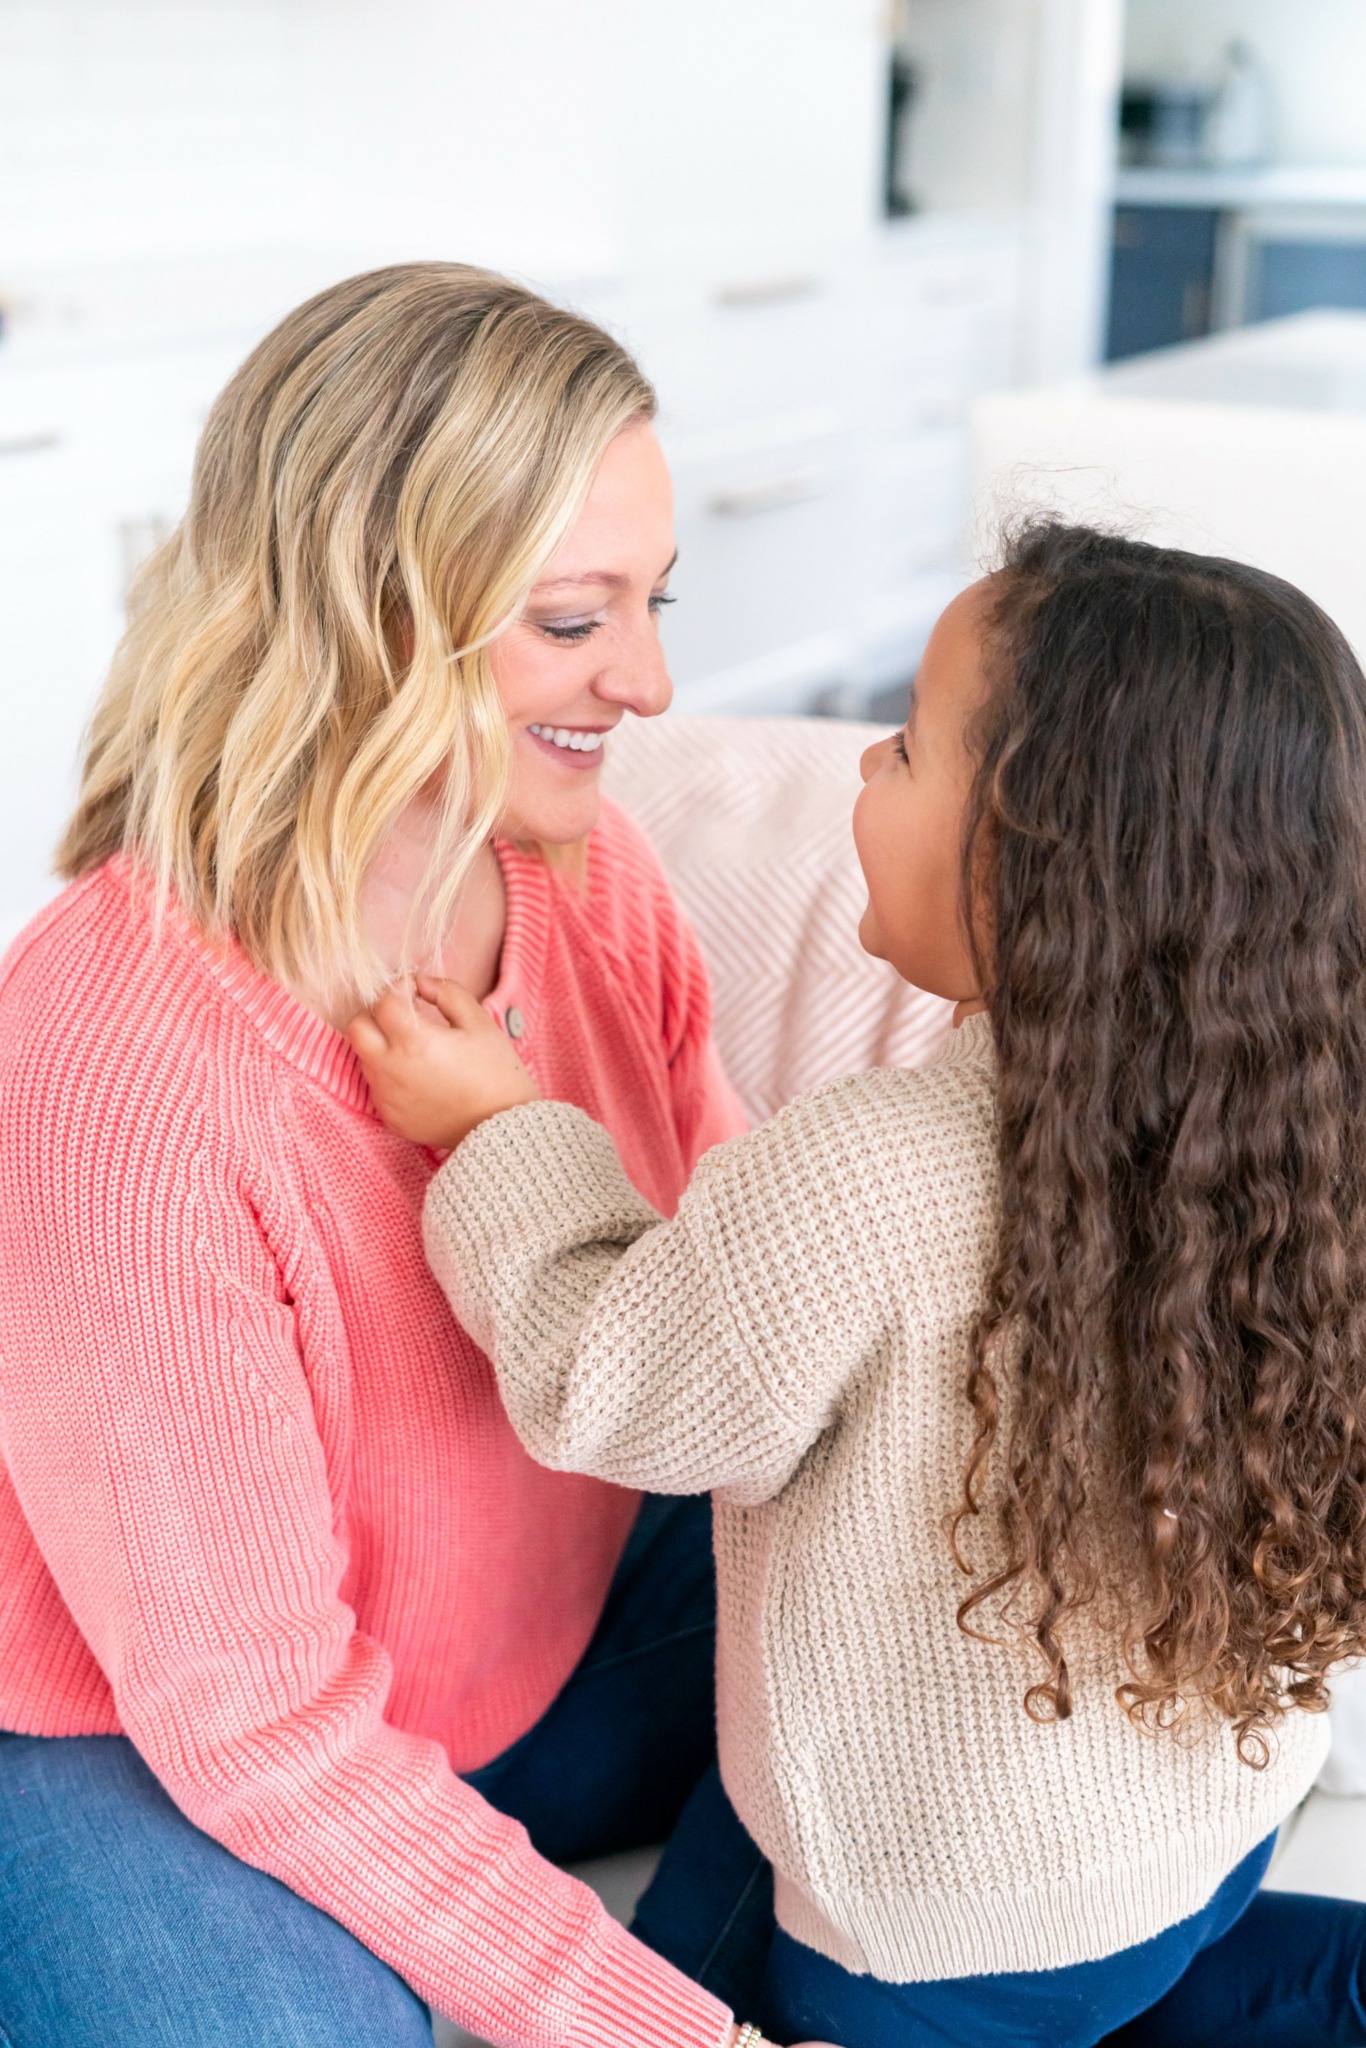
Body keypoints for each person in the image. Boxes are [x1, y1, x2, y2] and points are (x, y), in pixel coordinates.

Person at [350, 523, 1366, 2048]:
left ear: (1030, 841)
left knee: (724, 1990)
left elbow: (612, 1388)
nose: (859, 771)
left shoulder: (871, 1171)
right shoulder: (1303, 1125)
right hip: (1202, 1827)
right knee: (1135, 1972)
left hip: (926, 1940)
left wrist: (497, 1130)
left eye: (901, 747)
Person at [0, 263, 785, 2048]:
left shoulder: (587, 879)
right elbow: (256, 1719)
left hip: (533, 1653)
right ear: (366, 621)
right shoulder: (116, 1069)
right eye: (574, 621)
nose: (651, 683)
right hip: (138, 1728)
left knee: (949, 1628)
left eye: (653, 602)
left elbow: (738, 1316)